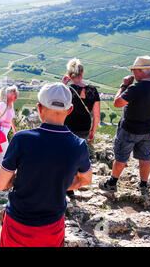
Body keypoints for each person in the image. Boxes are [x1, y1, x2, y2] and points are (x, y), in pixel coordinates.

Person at [0, 82, 92, 247]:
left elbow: (0, 184)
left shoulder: (22, 139)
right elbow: (86, 180)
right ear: (69, 110)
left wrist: (22, 181)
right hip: (52, 226)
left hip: (18, 224)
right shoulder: (78, 145)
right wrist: (57, 184)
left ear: (39, 108)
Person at [99, 56, 150, 193]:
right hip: (149, 130)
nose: (133, 74)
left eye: (134, 71)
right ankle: (144, 185)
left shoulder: (135, 88)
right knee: (145, 157)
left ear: (140, 71)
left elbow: (117, 103)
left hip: (129, 129)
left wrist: (124, 85)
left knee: (121, 157)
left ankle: (112, 183)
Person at [62, 58, 100, 198]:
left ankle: (67, 187)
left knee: (66, 156)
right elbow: (96, 115)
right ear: (82, 73)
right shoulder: (92, 90)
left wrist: (62, 83)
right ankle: (75, 182)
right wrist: (93, 131)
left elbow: (57, 103)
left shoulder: (66, 89)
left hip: (67, 126)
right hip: (84, 127)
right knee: (77, 155)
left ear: (69, 73)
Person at [0, 85, 18, 169]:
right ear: (7, 95)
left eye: (16, 92)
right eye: (13, 93)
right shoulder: (2, 105)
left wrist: (14, 130)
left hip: (4, 133)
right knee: (3, 156)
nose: (16, 94)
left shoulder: (11, 105)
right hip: (0, 132)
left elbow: (11, 119)